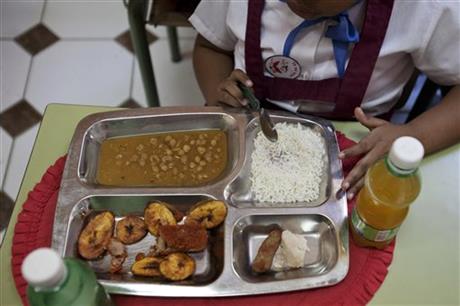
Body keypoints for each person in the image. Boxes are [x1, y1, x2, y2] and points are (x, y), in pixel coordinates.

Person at [189, 0, 460, 199]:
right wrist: (217, 92)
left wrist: (413, 135)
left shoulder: (427, 9)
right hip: (248, 134)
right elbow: (210, 46)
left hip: (360, 156)